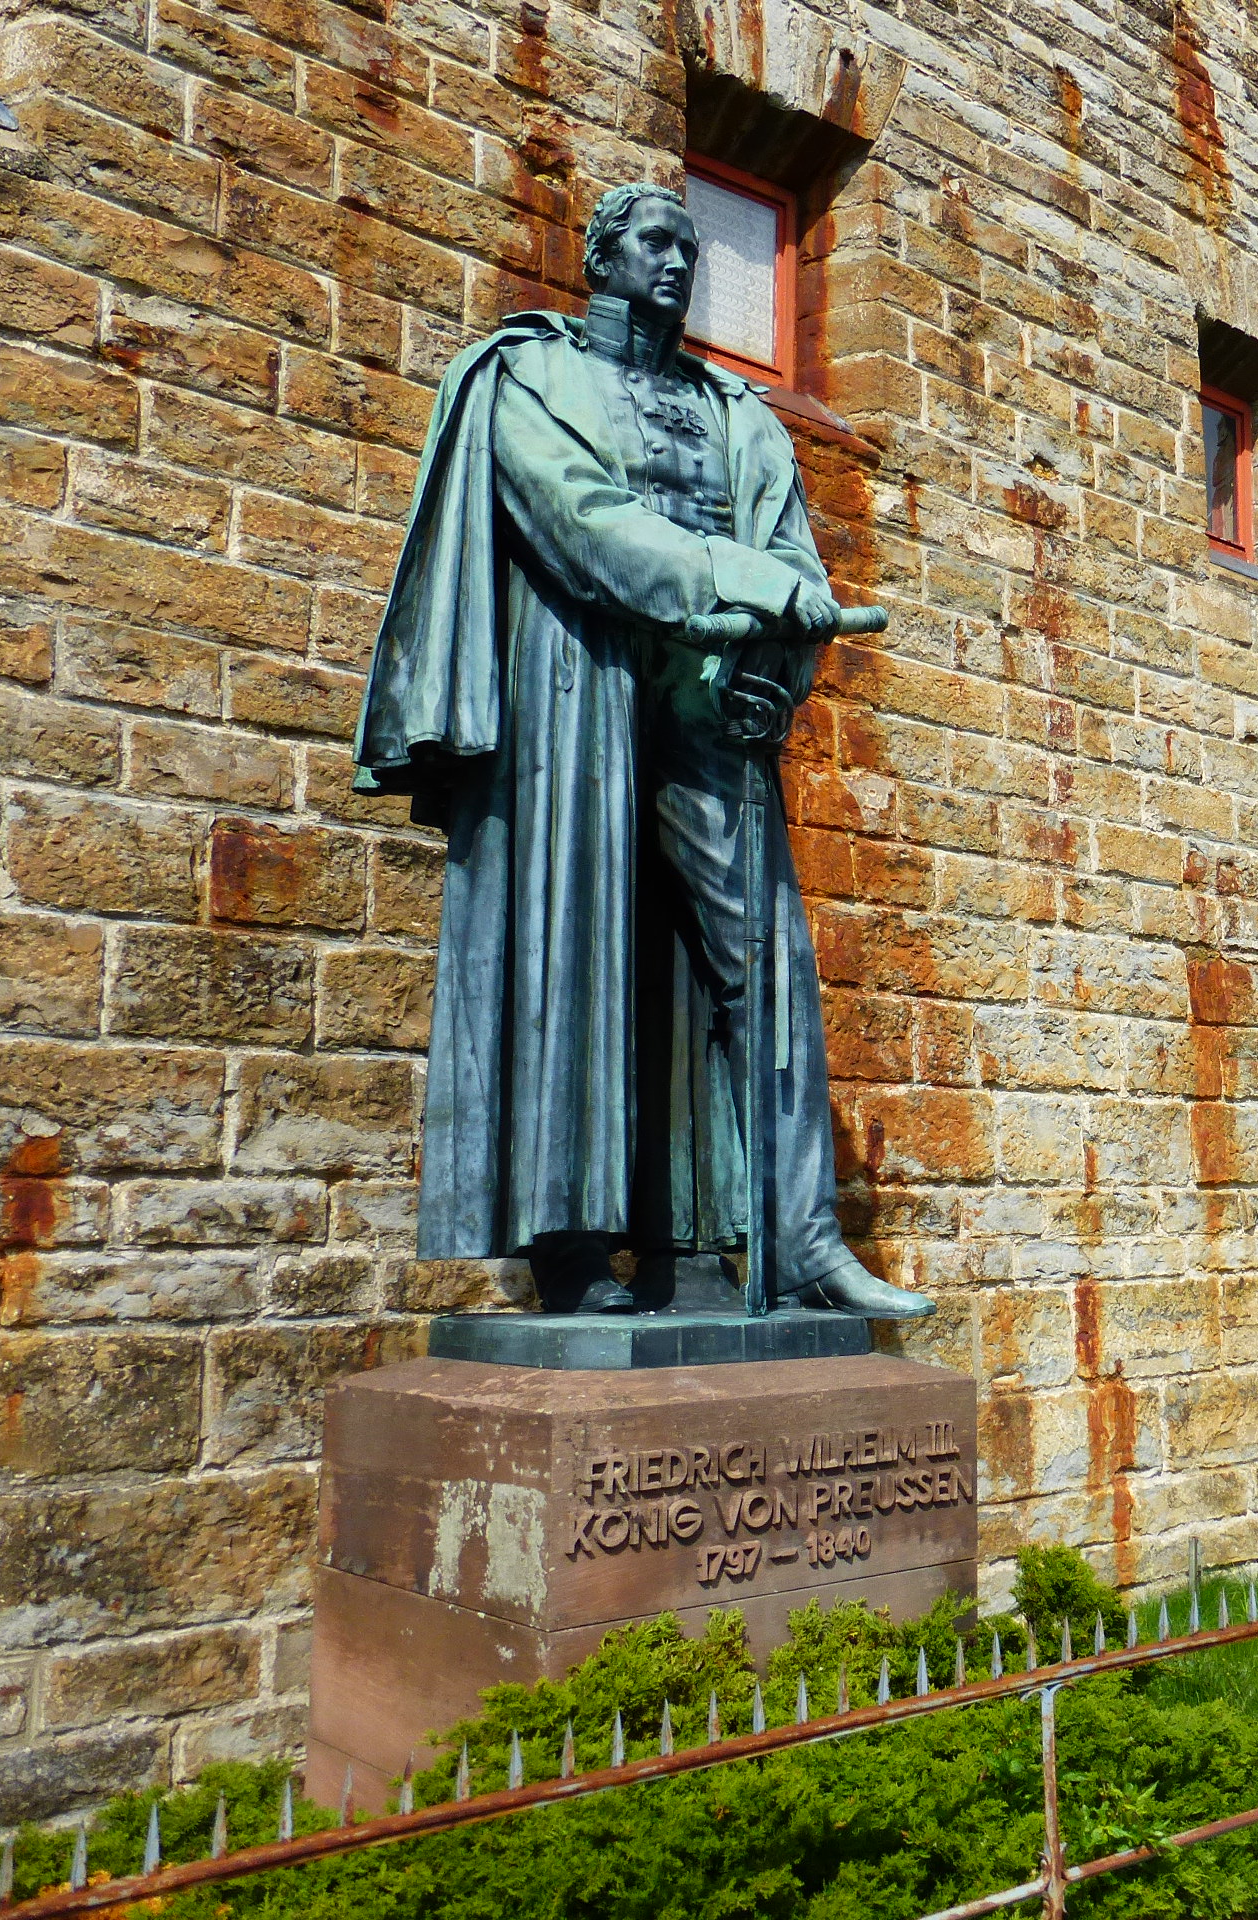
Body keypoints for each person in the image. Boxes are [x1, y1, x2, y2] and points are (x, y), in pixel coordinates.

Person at [353, 182, 930, 1321]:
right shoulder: (529, 376)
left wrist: (773, 670)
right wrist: (742, 581)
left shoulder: (740, 416)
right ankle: (570, 1248)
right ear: (603, 259)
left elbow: (793, 563)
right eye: (654, 242)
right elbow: (584, 526)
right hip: (579, 691)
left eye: (689, 246)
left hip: (704, 707)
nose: (677, 262)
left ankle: (801, 1240)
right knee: (577, 945)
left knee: (765, 961)